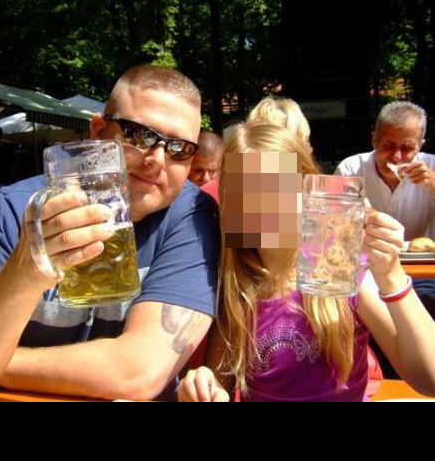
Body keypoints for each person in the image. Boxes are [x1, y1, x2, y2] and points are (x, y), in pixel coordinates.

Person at [0, 65, 219, 402]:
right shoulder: (12, 211)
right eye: (138, 135)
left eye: (180, 149)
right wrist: (24, 273)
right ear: (98, 131)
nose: (158, 160)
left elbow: (137, 373)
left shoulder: (193, 218)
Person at [178, 121, 435, 402]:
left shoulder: (340, 271)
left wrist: (392, 276)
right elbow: (219, 388)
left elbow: (429, 378)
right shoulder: (236, 288)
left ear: (306, 191)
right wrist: (202, 386)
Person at [335, 101, 435, 241]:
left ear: (420, 146)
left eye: (407, 148)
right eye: (389, 145)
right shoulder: (350, 170)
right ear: (374, 140)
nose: (396, 157)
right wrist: (364, 217)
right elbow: (335, 224)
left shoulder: (432, 166)